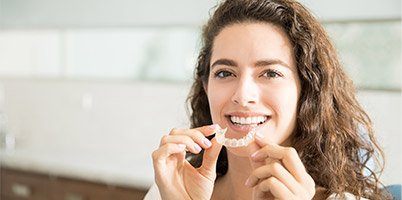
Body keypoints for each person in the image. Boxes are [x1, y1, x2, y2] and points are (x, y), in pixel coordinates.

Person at [145, 0, 390, 199]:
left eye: (270, 73)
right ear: (206, 87)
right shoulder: (170, 189)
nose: (242, 96)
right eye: (225, 73)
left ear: (307, 91)